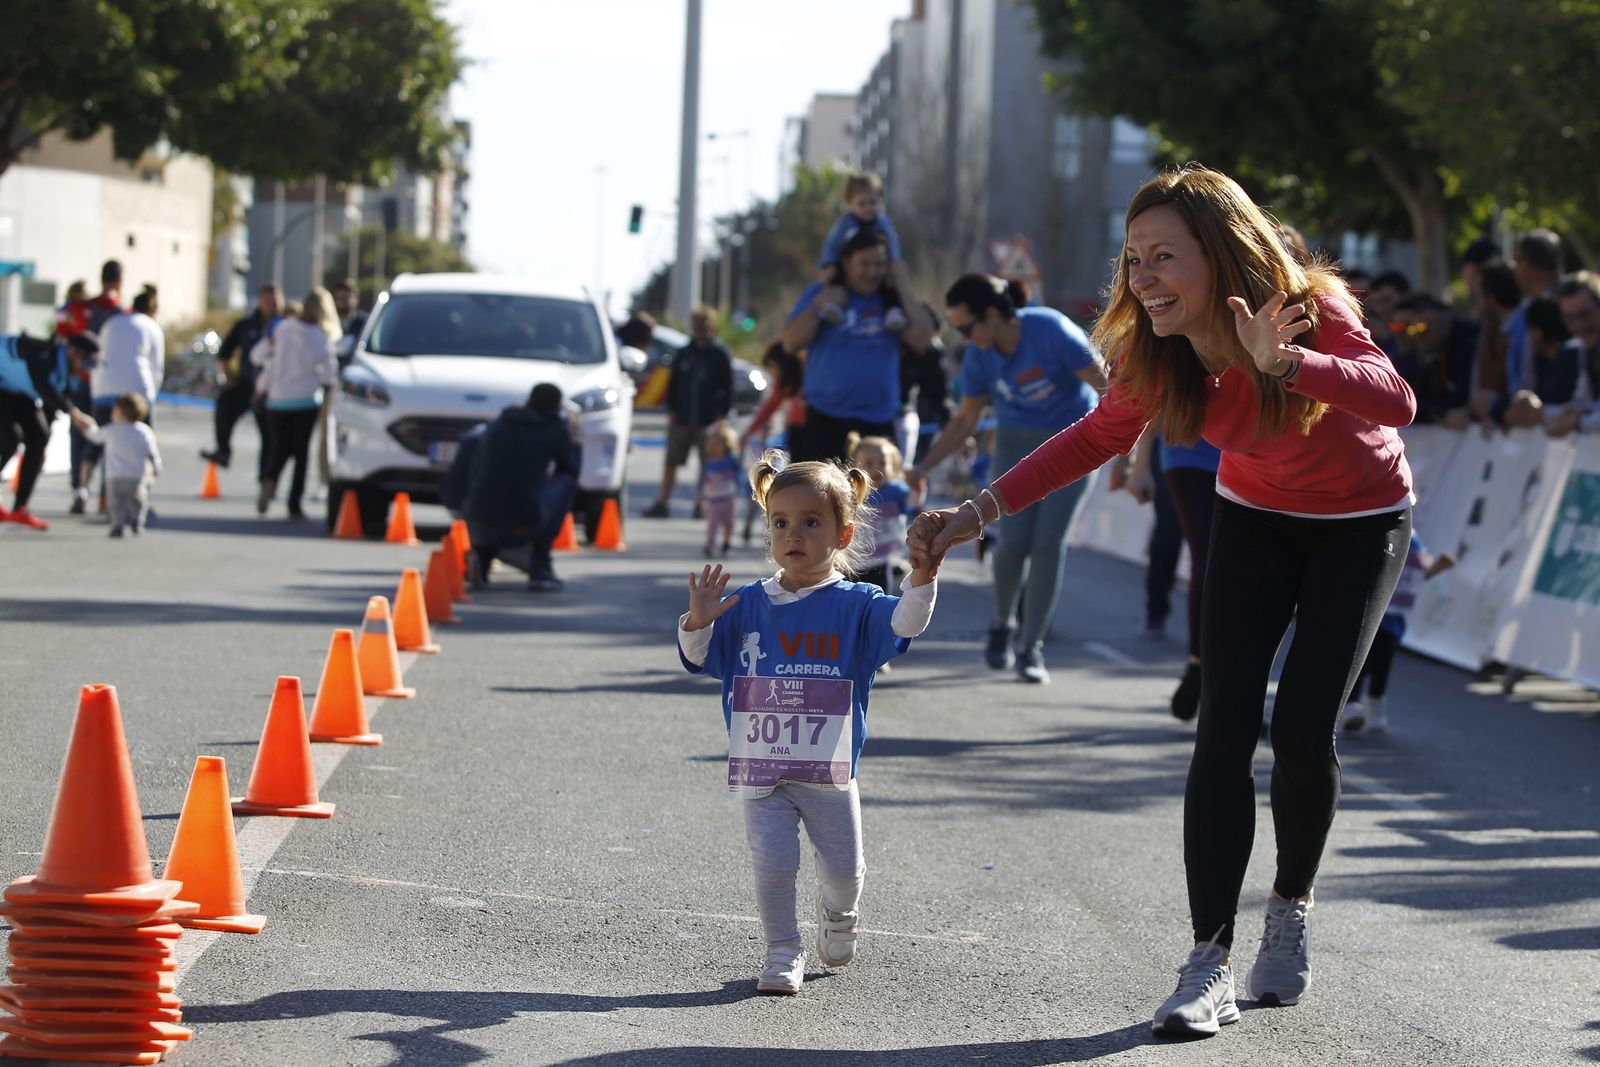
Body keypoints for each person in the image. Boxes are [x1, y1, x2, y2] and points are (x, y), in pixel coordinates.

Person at [912, 164, 1417, 1037]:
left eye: (1162, 257)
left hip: (1360, 522)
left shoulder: (1310, 308)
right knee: (1224, 723)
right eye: (1132, 259)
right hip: (1254, 515)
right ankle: (1208, 960)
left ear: (1220, 254)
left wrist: (1290, 362)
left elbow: (1398, 400)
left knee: (1300, 730)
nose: (1141, 278)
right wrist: (975, 511)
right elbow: (1095, 437)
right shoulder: (1158, 349)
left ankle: (1289, 905)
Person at [676, 451, 940, 995]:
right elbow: (701, 658)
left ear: (843, 535)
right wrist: (695, 623)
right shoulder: (747, 603)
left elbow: (905, 623)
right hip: (761, 768)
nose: (793, 534)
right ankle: (781, 952)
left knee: (844, 872)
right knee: (773, 865)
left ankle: (839, 917)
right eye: (781, 523)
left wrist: (922, 577)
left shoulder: (859, 603)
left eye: (810, 522)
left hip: (829, 772)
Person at [906, 273, 1106, 684]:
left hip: (1075, 440)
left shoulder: (1050, 330)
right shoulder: (980, 354)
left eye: (966, 327)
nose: (963, 337)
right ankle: (1002, 622)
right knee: (1013, 542)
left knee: (1049, 543)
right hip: (1015, 444)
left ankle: (1031, 647)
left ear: (994, 314)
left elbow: (1109, 386)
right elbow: (965, 420)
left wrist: (1125, 451)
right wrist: (923, 467)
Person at [780, 227, 934, 464]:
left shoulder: (891, 300)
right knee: (819, 500)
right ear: (846, 262)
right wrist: (818, 305)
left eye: (879, 265)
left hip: (878, 422)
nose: (872, 272)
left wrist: (903, 288)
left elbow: (923, 340)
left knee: (878, 501)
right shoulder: (822, 294)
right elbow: (790, 343)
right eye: (864, 264)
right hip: (825, 420)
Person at [463, 383, 579, 592]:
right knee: (566, 482)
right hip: (525, 518)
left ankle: (482, 559)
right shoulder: (552, 427)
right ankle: (540, 567)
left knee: (497, 489)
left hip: (478, 515)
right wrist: (571, 438)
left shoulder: (499, 422)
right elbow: (569, 467)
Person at [1343, 532, 1454, 734]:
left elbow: (1418, 575)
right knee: (1363, 658)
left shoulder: (1414, 538)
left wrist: (1439, 566)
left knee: (1382, 662)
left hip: (1395, 613)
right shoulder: (1386, 527)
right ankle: (1352, 705)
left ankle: (1375, 704)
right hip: (1373, 607)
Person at [253, 287, 339, 519]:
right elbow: (329, 374)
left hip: (277, 399)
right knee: (301, 454)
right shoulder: (322, 338)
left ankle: (269, 479)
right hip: (306, 400)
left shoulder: (282, 329)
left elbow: (257, 356)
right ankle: (294, 503)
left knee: (280, 448)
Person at [0, 332, 100, 529]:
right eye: (86, 363)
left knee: (39, 438)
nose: (85, 370)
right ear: (72, 351)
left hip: (16, 391)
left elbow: (54, 404)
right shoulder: (42, 353)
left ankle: (20, 508)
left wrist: (43, 449)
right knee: (10, 439)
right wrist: (75, 414)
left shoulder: (66, 374)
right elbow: (43, 386)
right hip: (3, 385)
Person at [645, 306, 733, 519]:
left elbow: (728, 387)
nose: (700, 331)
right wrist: (672, 409)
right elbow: (673, 384)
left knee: (707, 463)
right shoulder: (684, 353)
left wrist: (721, 414)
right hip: (682, 416)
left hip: (708, 418)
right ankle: (663, 502)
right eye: (696, 327)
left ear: (711, 328)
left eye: (704, 327)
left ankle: (700, 504)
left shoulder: (719, 355)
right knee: (671, 461)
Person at [204, 284, 282, 474]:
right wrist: (230, 378)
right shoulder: (246, 325)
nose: (271, 305)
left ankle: (266, 478)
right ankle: (223, 450)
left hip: (273, 390)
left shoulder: (286, 326)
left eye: (275, 301)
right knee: (225, 402)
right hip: (247, 384)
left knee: (270, 435)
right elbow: (224, 354)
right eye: (267, 301)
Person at [816, 172, 904, 324]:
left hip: (878, 264)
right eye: (862, 204)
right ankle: (834, 308)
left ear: (880, 201)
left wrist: (894, 261)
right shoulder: (845, 223)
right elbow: (832, 244)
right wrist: (828, 263)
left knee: (889, 285)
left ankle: (893, 311)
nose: (868, 208)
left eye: (872, 202)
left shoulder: (883, 222)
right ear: (850, 204)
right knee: (836, 281)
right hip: (848, 265)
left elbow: (893, 242)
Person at [846, 432, 918, 596]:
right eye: (869, 463)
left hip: (882, 558)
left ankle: (878, 621)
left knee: (880, 596)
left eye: (883, 463)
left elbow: (912, 504)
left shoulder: (895, 490)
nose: (876, 469)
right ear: (855, 467)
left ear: (893, 466)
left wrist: (918, 491)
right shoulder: (850, 490)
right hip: (853, 561)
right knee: (851, 597)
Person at [1390, 292, 1477, 426]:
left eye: (1422, 329)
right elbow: (1415, 402)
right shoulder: (1431, 355)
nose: (1416, 337)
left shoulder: (1469, 344)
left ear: (1445, 323)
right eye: (1412, 330)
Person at [82, 393, 162, 538]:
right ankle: (137, 521)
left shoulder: (112, 429)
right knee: (138, 500)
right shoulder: (143, 431)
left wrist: (88, 426)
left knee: (115, 503)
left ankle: (117, 525)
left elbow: (95, 436)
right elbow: (152, 451)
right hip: (137, 476)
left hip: (114, 476)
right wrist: (157, 466)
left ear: (121, 412)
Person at [1546, 273, 1600, 436]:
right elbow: (1584, 401)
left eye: (1585, 314)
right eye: (1570, 318)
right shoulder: (1584, 351)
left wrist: (1579, 421)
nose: (1580, 325)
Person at [700, 421, 740, 558]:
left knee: (728, 523)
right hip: (713, 500)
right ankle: (709, 543)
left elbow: (739, 474)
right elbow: (703, 480)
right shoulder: (709, 464)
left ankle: (726, 543)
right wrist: (700, 495)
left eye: (719, 444)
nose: (716, 448)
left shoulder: (731, 461)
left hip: (728, 499)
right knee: (712, 523)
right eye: (713, 444)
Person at [332, 279, 369, 363]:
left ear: (356, 298)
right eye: (340, 298)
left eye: (347, 297)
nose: (344, 301)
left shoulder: (365, 322)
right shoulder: (331, 323)